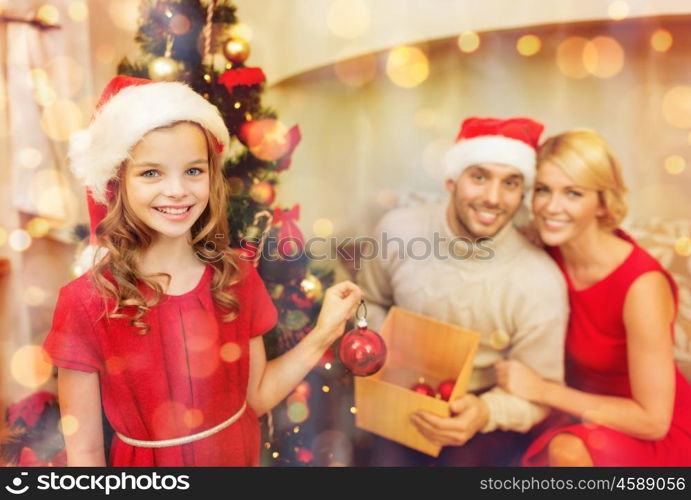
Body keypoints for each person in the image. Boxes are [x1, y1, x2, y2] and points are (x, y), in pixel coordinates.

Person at [43, 75, 362, 466]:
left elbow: (257, 396)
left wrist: (325, 332)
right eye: (151, 173)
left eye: (193, 171)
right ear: (117, 183)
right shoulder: (86, 302)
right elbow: (85, 455)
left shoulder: (236, 277)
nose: (177, 190)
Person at [358, 117, 569, 466]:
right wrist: (383, 352)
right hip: (396, 399)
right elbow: (369, 300)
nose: (492, 198)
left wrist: (485, 412)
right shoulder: (397, 231)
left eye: (511, 183)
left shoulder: (538, 280)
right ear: (451, 181)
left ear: (523, 193)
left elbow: (541, 392)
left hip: (484, 421)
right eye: (479, 177)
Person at [495, 129, 691, 466]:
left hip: (650, 431)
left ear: (603, 203)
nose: (551, 207)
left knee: (564, 452)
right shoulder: (545, 249)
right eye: (543, 190)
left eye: (573, 193)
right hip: (582, 415)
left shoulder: (641, 285)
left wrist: (542, 390)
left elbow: (653, 421)